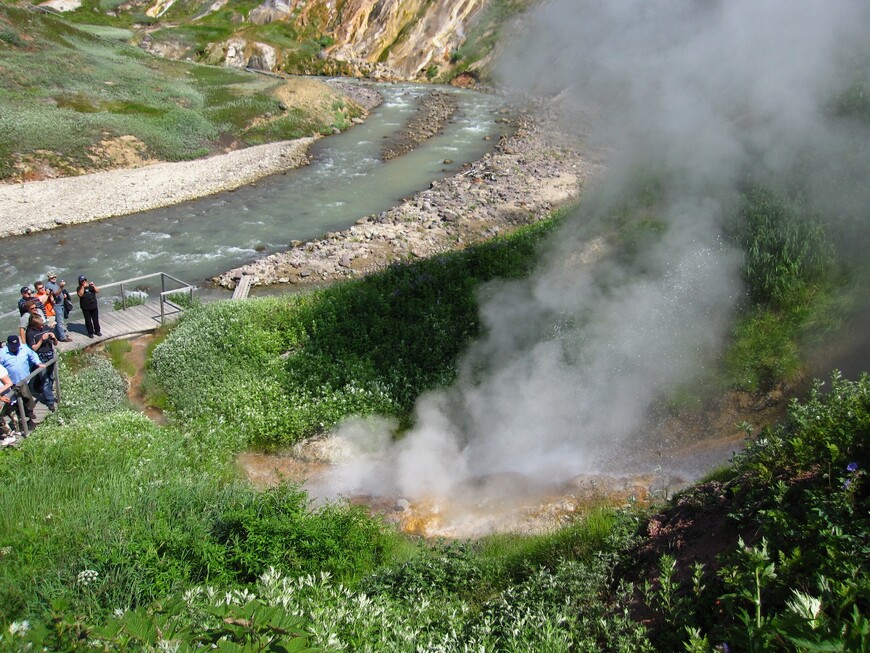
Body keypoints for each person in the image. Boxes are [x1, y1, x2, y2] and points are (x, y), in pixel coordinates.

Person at [0, 335, 44, 432]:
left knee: (27, 400)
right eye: (13, 346)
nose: (15, 348)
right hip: (12, 384)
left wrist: (38, 362)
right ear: (8, 344)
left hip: (25, 380)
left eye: (17, 346)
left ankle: (29, 418)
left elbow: (33, 354)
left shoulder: (24, 348)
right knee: (16, 404)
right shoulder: (2, 353)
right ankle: (22, 424)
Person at [25, 314, 58, 412]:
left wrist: (54, 337)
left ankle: (48, 394)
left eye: (43, 324)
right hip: (40, 357)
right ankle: (50, 401)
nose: (42, 327)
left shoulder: (46, 328)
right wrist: (41, 340)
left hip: (50, 355)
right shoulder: (30, 333)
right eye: (40, 326)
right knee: (45, 380)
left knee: (51, 377)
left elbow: (55, 343)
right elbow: (33, 348)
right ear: (34, 325)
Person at [43, 273, 72, 342]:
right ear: (49, 278)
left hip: (60, 305)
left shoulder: (54, 284)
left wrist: (63, 295)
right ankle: (62, 337)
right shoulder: (48, 285)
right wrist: (61, 287)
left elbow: (58, 293)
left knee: (59, 321)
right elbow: (56, 293)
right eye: (52, 277)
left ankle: (58, 334)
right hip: (57, 306)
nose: (54, 278)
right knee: (60, 322)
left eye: (55, 276)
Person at [0, 363, 16, 439]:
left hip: (5, 395)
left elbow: (9, 383)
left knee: (11, 413)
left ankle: (10, 435)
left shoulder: (0, 369)